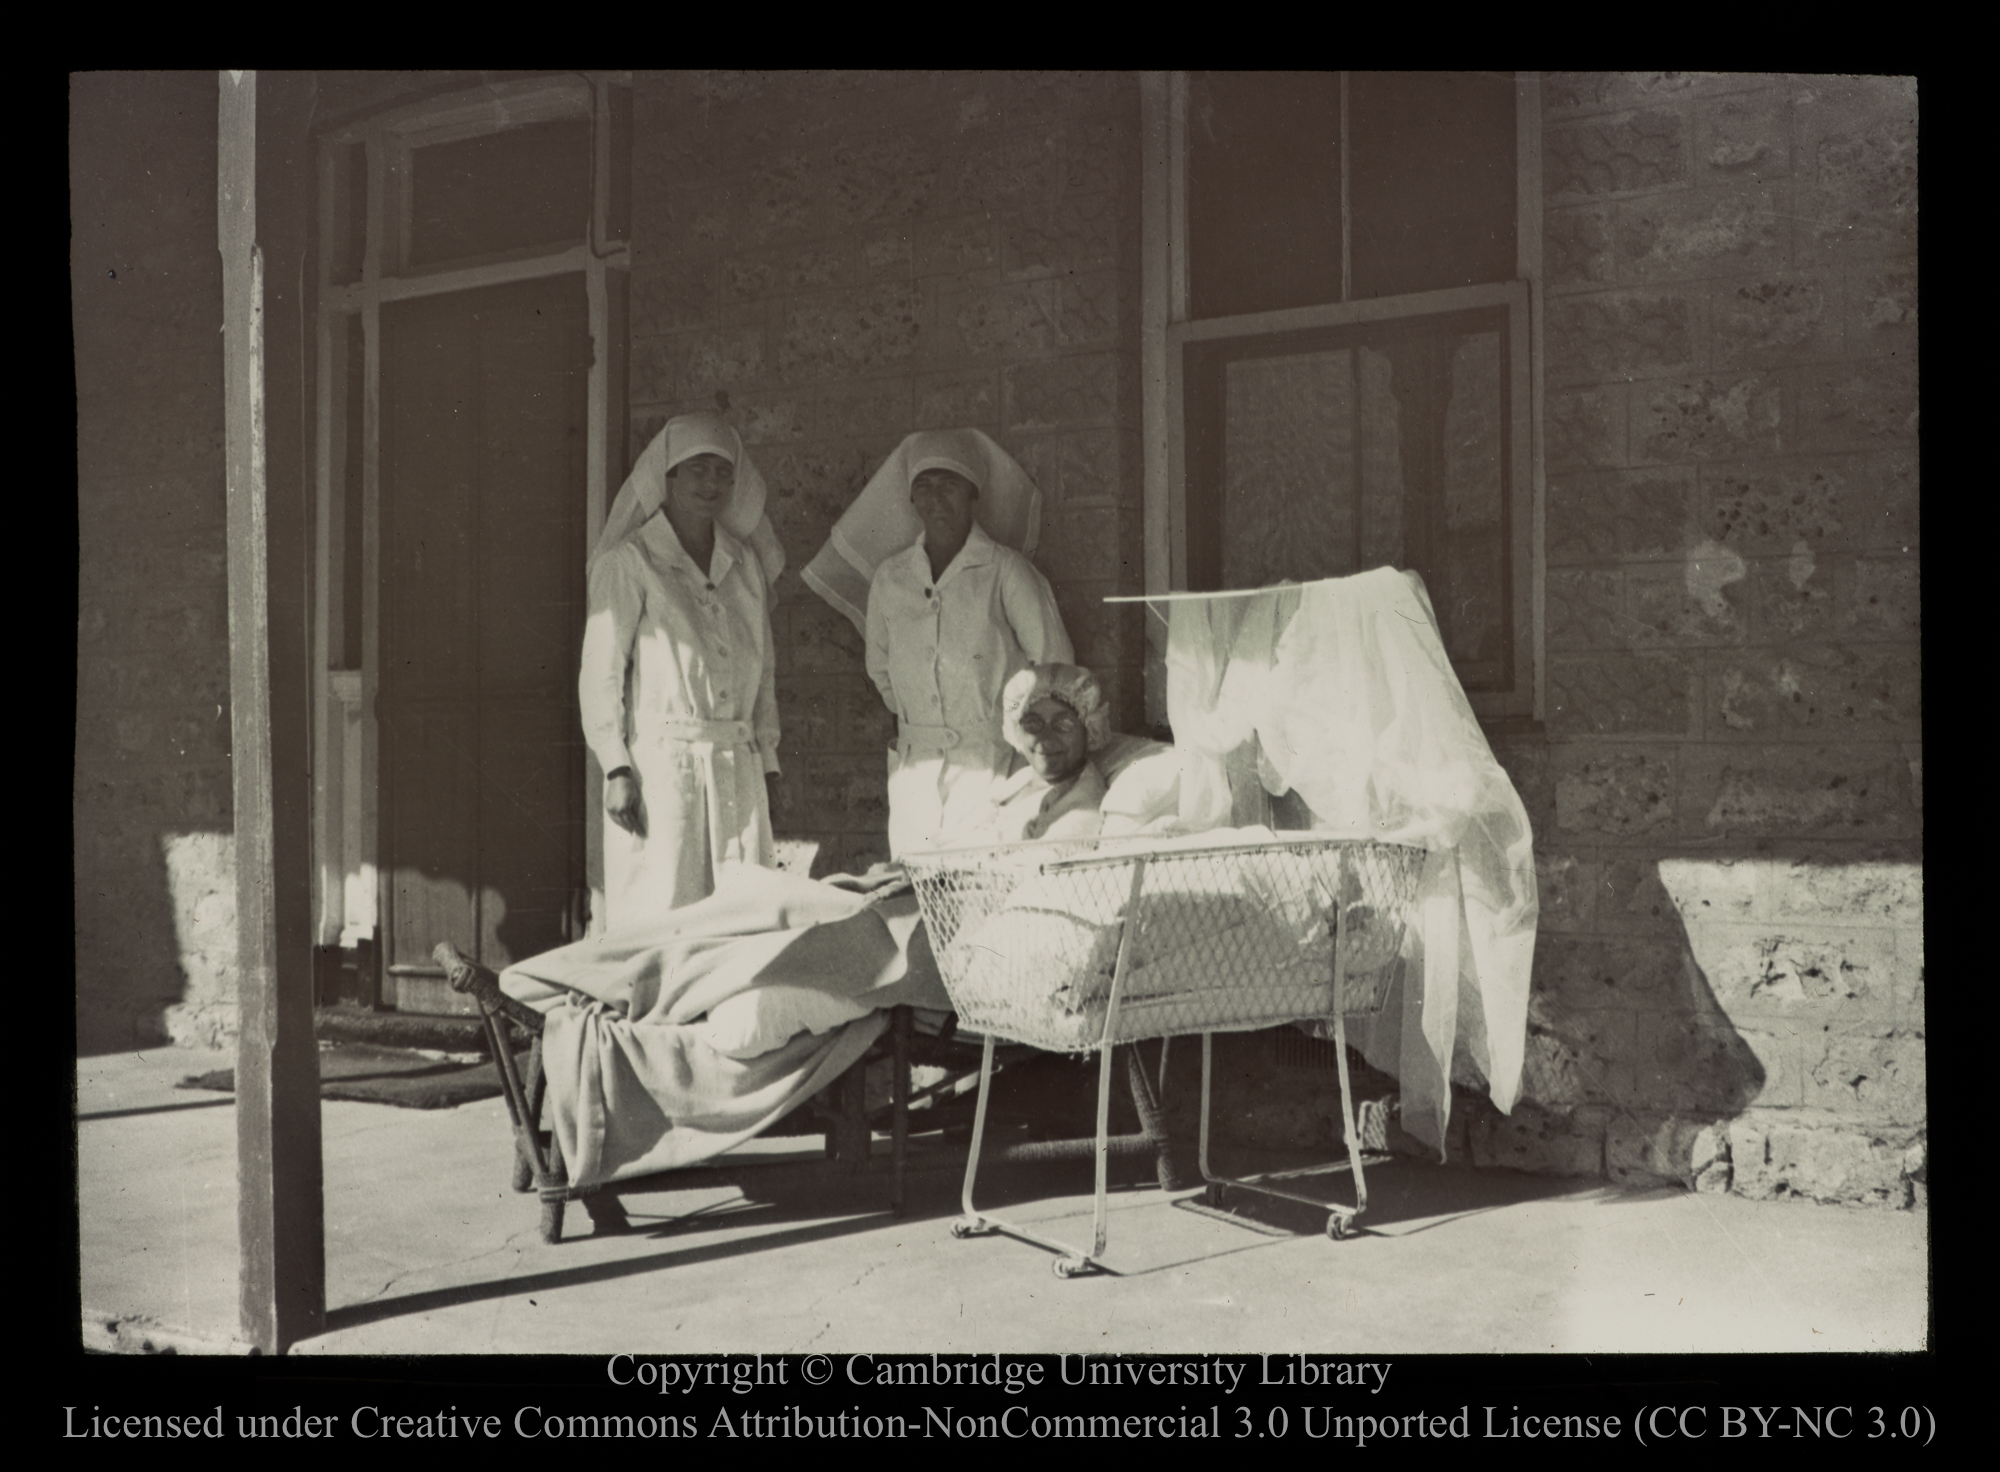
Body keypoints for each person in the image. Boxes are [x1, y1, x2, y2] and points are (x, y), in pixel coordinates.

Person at [801, 429, 1073, 857]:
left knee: (983, 888)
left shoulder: (1005, 572)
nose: (936, 499)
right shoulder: (892, 579)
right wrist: (924, 724)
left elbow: (1055, 667)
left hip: (993, 766)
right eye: (923, 487)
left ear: (972, 494)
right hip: (915, 772)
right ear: (910, 497)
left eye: (950, 485)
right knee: (918, 894)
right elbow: (882, 670)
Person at [579, 412, 786, 927]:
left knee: (740, 917)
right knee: (663, 908)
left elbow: (763, 672)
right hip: (662, 770)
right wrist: (616, 767)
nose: (711, 483)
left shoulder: (744, 567)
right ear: (666, 478)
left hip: (737, 762)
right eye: (697, 469)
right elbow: (601, 670)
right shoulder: (630, 562)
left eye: (722, 471)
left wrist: (769, 763)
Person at [986, 662, 1111, 843]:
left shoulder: (1080, 805)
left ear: (1089, 731)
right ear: (1017, 731)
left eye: (1063, 724)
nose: (1045, 738)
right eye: (1032, 723)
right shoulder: (1023, 779)